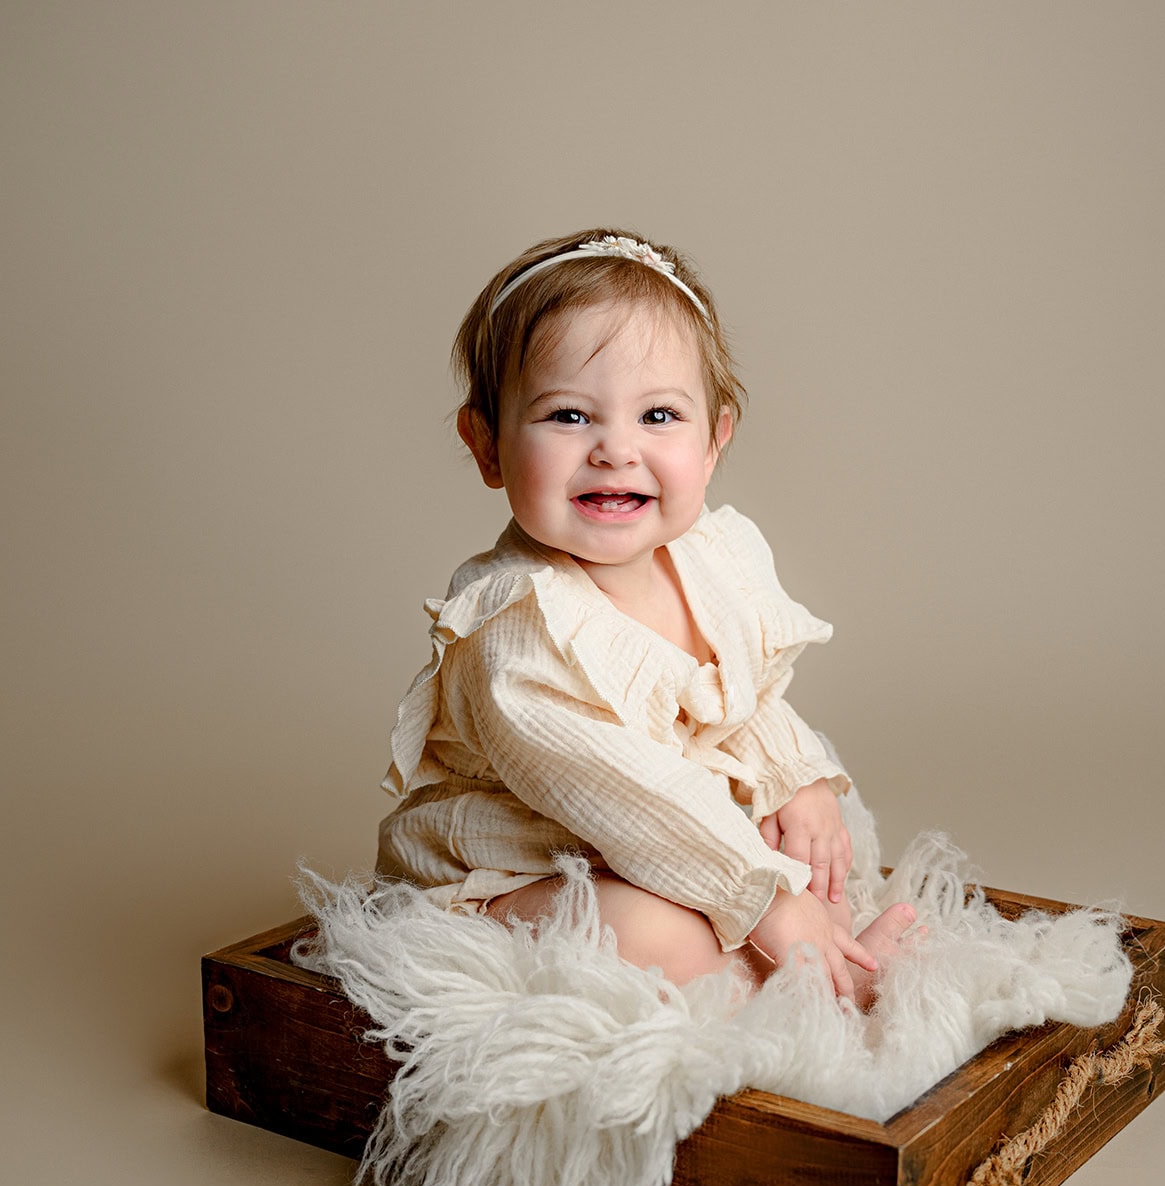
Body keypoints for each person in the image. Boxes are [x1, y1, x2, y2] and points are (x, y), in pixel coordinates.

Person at [375, 229, 913, 1006]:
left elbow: (742, 700)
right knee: (655, 935)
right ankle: (794, 984)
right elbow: (631, 796)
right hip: (520, 865)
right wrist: (764, 899)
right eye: (567, 416)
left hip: (660, 838)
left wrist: (797, 781)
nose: (615, 450)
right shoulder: (517, 628)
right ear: (487, 444)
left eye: (659, 416)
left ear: (715, 440)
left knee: (808, 847)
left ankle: (817, 960)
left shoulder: (710, 559)